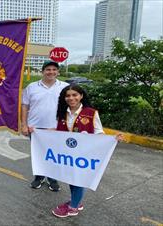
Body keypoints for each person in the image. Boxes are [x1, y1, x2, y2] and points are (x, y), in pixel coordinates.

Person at [51, 84, 123, 217]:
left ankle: (73, 208)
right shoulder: (62, 112)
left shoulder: (91, 113)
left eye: (74, 95)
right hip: (67, 155)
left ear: (81, 96)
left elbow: (99, 132)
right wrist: (36, 131)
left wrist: (112, 139)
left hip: (84, 155)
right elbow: (56, 132)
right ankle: (76, 201)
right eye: (68, 95)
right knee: (71, 179)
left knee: (79, 180)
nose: (71, 98)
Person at [21, 61, 69, 191]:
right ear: (43, 71)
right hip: (35, 129)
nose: (51, 72)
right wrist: (24, 125)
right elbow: (25, 106)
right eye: (48, 69)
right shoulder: (32, 87)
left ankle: (53, 179)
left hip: (56, 128)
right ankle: (39, 177)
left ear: (58, 72)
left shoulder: (65, 87)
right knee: (38, 155)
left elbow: (71, 107)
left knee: (54, 155)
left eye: (54, 69)